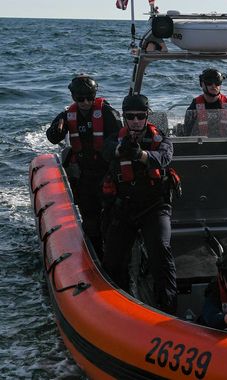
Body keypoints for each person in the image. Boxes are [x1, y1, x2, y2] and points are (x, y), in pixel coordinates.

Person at [101, 94, 177, 313]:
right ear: (124, 117)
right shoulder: (116, 139)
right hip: (125, 206)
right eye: (130, 116)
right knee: (113, 258)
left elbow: (163, 158)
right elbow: (107, 151)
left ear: (147, 117)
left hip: (155, 207)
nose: (135, 121)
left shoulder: (160, 139)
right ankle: (119, 305)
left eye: (140, 116)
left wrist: (141, 154)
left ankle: (169, 307)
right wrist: (120, 151)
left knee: (161, 251)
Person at [46, 74, 122, 259]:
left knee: (111, 217)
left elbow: (120, 136)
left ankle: (114, 255)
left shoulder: (107, 113)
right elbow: (53, 137)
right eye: (80, 98)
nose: (86, 102)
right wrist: (57, 130)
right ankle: (95, 255)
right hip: (84, 175)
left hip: (106, 173)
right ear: (73, 97)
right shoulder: (67, 115)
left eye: (90, 97)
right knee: (90, 219)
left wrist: (109, 148)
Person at [181, 68, 227, 138]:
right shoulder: (194, 107)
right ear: (202, 84)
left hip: (225, 145)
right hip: (200, 145)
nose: (214, 86)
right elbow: (187, 134)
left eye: (217, 82)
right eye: (209, 82)